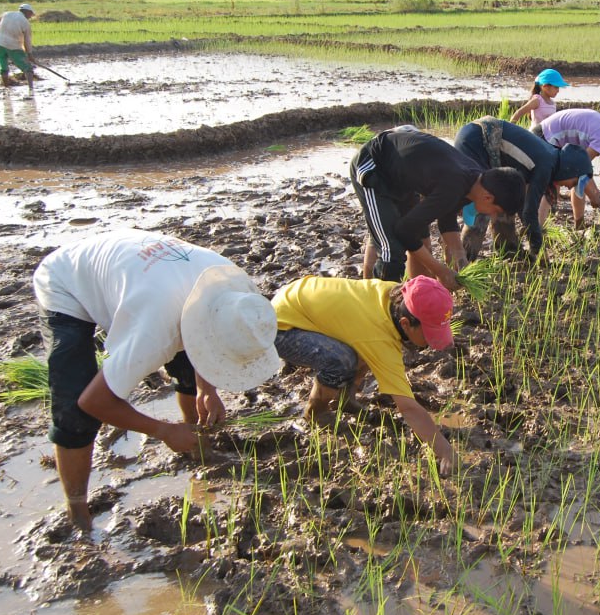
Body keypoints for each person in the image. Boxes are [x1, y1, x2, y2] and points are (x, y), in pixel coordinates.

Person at [33, 229, 281, 534]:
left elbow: (207, 338)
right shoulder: (154, 332)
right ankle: (78, 513)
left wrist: (207, 387)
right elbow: (94, 402)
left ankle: (194, 441)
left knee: (190, 369)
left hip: (140, 270)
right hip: (66, 281)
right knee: (74, 411)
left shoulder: (235, 291)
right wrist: (162, 430)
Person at [272, 275, 460, 474]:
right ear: (405, 323)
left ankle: (345, 399)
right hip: (280, 326)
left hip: (297, 296)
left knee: (360, 348)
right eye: (428, 335)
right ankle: (316, 412)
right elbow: (408, 409)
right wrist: (445, 450)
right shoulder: (378, 336)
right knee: (341, 361)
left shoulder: (393, 296)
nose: (430, 343)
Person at [351, 125, 526, 292]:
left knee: (421, 242)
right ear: (488, 197)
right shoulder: (454, 185)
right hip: (374, 168)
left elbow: (446, 216)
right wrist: (440, 270)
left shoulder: (476, 180)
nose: (492, 215)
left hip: (403, 178)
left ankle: (417, 301)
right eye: (495, 210)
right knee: (392, 252)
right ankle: (377, 309)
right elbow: (404, 230)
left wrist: (460, 256)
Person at [454, 116, 596, 259]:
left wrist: (533, 235)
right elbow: (529, 212)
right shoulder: (546, 165)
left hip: (480, 135)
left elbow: (524, 206)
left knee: (506, 198)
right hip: (478, 141)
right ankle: (464, 258)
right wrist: (537, 248)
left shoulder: (550, 158)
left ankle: (508, 250)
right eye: (574, 181)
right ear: (569, 169)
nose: (570, 186)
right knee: (485, 201)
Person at [0, 3, 36, 90]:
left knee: (3, 67)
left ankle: (6, 88)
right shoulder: (25, 22)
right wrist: (30, 55)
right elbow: (27, 41)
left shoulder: (6, 14)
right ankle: (31, 89)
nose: (30, 17)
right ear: (27, 12)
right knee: (28, 68)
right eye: (30, 15)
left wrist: (2, 35)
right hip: (13, 46)